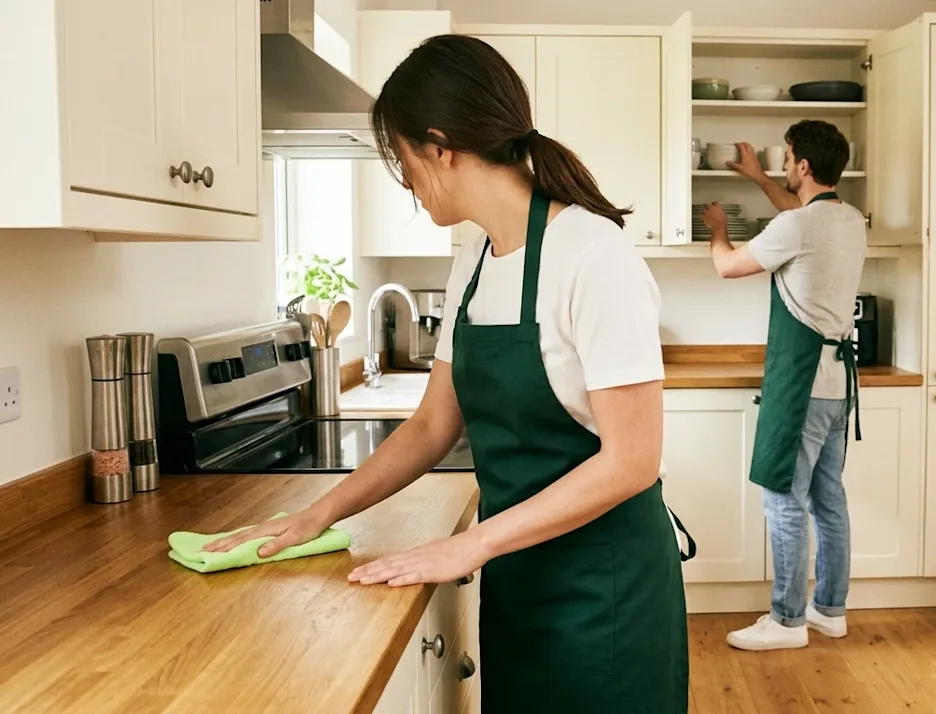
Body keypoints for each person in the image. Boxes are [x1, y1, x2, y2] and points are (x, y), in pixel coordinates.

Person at [205, 35, 689, 713]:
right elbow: (433, 424)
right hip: (518, 575)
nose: (402, 180)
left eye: (400, 158)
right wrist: (319, 513)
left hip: (602, 588)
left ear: (438, 146)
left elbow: (633, 461)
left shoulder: (591, 255)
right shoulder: (472, 260)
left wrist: (467, 547)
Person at [701, 121, 867, 651]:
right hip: (838, 384)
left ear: (801, 166)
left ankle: (788, 620)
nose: (784, 165)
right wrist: (756, 178)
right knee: (828, 498)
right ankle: (830, 610)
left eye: (788, 157)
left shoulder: (799, 227)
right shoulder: (848, 219)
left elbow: (728, 267)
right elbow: (796, 218)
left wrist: (718, 228)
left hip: (800, 385)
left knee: (783, 499)